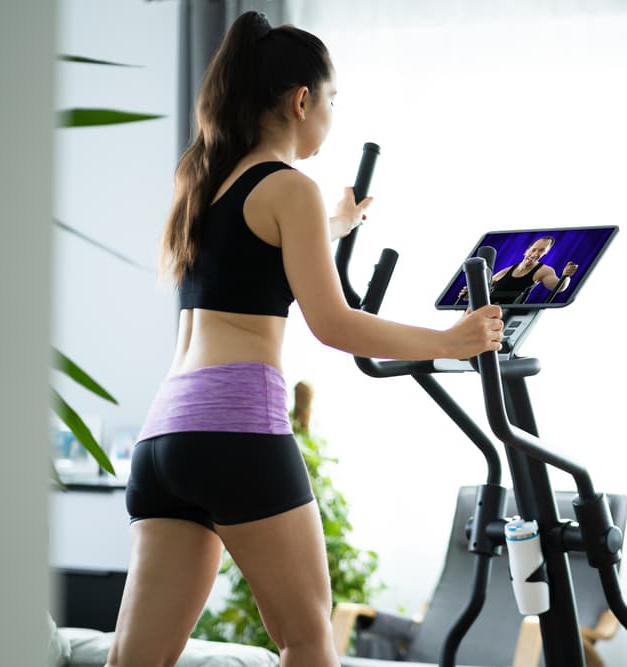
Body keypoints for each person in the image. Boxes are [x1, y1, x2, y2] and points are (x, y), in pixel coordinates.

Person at [106, 12, 503, 667]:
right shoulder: (291, 187)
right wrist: (451, 338)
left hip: (164, 442)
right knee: (309, 639)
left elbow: (252, 260)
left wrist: (337, 225)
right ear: (301, 100)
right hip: (235, 431)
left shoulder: (208, 187)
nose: (331, 117)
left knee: (135, 658)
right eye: (332, 101)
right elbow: (334, 323)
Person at [458, 236, 579, 305]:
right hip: (485, 312)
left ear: (545, 253)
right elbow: (482, 292)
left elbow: (559, 287)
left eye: (541, 251)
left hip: (507, 314)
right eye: (534, 249)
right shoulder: (505, 271)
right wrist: (470, 294)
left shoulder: (543, 271)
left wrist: (566, 276)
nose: (535, 254)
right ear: (527, 250)